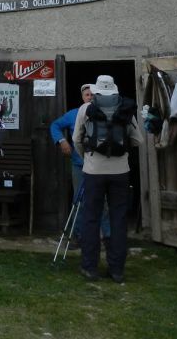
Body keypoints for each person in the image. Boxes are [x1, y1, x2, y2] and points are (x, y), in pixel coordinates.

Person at [72, 75, 143, 284]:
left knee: (91, 218)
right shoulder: (125, 108)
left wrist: (87, 157)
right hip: (120, 171)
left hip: (94, 170)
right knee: (118, 219)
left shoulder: (86, 109)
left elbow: (77, 138)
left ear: (96, 91)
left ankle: (90, 267)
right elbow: (137, 140)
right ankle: (117, 270)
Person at [49, 83, 110, 245]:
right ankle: (76, 236)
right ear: (82, 98)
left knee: (102, 201)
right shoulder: (74, 114)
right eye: (87, 95)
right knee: (79, 200)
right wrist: (62, 140)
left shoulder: (105, 113)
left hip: (100, 165)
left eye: (92, 95)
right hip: (79, 164)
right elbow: (54, 125)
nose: (90, 97)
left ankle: (107, 238)